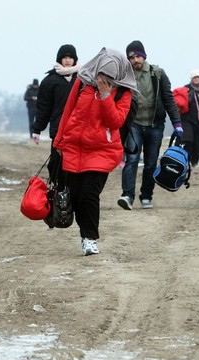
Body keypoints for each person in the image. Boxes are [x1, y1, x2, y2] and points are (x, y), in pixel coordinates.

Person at [53, 47, 137, 256]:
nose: (102, 78)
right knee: (77, 196)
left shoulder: (124, 93)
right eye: (101, 73)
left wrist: (106, 95)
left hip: (102, 150)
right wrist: (59, 142)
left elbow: (116, 121)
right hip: (74, 146)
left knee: (89, 194)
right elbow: (68, 110)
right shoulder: (82, 82)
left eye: (108, 76)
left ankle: (89, 238)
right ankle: (84, 234)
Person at [117, 40, 183, 211]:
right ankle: (127, 196)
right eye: (131, 57)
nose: (135, 60)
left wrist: (177, 123)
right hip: (134, 125)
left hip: (155, 125)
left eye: (138, 56)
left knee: (151, 163)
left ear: (144, 56)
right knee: (131, 159)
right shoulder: (125, 76)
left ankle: (146, 196)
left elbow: (168, 99)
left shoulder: (158, 74)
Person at [32, 44, 79, 188]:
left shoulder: (83, 78)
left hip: (79, 128)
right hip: (59, 129)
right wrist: (37, 129)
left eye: (70, 57)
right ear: (59, 59)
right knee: (56, 163)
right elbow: (43, 108)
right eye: (64, 57)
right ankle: (58, 191)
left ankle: (73, 193)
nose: (67, 60)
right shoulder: (50, 81)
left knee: (77, 164)